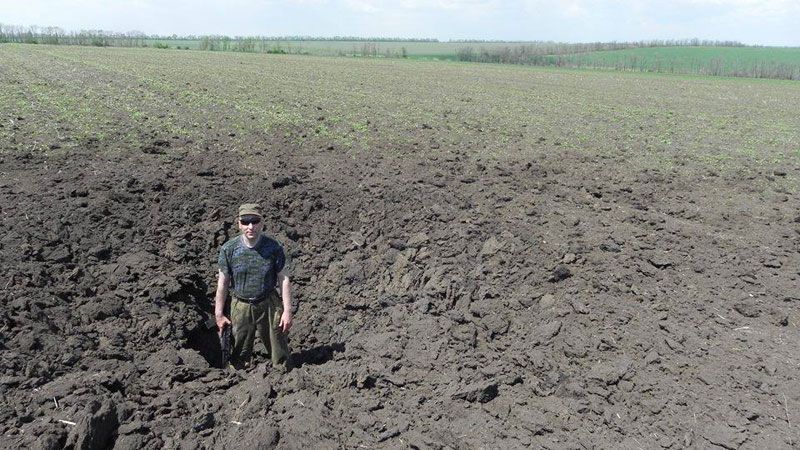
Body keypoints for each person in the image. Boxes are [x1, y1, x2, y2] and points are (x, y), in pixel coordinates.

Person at [214, 203, 293, 370]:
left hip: (268, 303)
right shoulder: (229, 249)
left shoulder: (273, 248)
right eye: (245, 222)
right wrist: (219, 314)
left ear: (262, 223)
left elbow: (283, 278)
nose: (250, 227)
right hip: (241, 305)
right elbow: (223, 283)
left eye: (255, 221)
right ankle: (239, 380)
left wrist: (287, 311)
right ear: (239, 223)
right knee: (239, 349)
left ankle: (283, 375)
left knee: (278, 345)